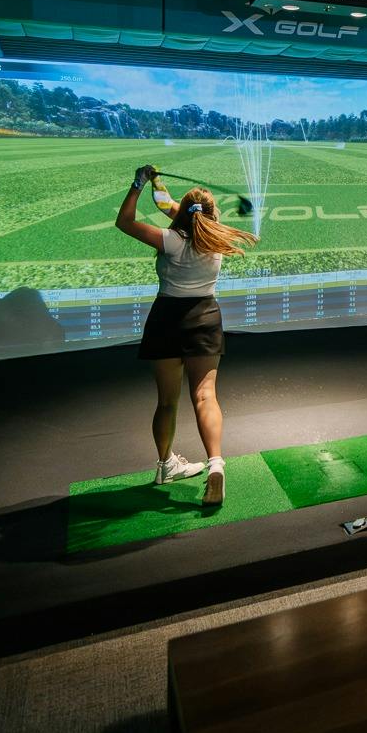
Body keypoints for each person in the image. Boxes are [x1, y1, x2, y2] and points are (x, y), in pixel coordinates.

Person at [116, 164, 257, 505]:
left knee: (167, 402)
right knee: (205, 396)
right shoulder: (216, 238)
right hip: (204, 319)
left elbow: (125, 221)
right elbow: (170, 205)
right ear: (210, 214)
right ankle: (216, 465)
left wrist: (139, 182)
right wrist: (158, 184)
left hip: (166, 320)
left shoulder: (169, 239)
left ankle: (165, 465)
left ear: (184, 212)